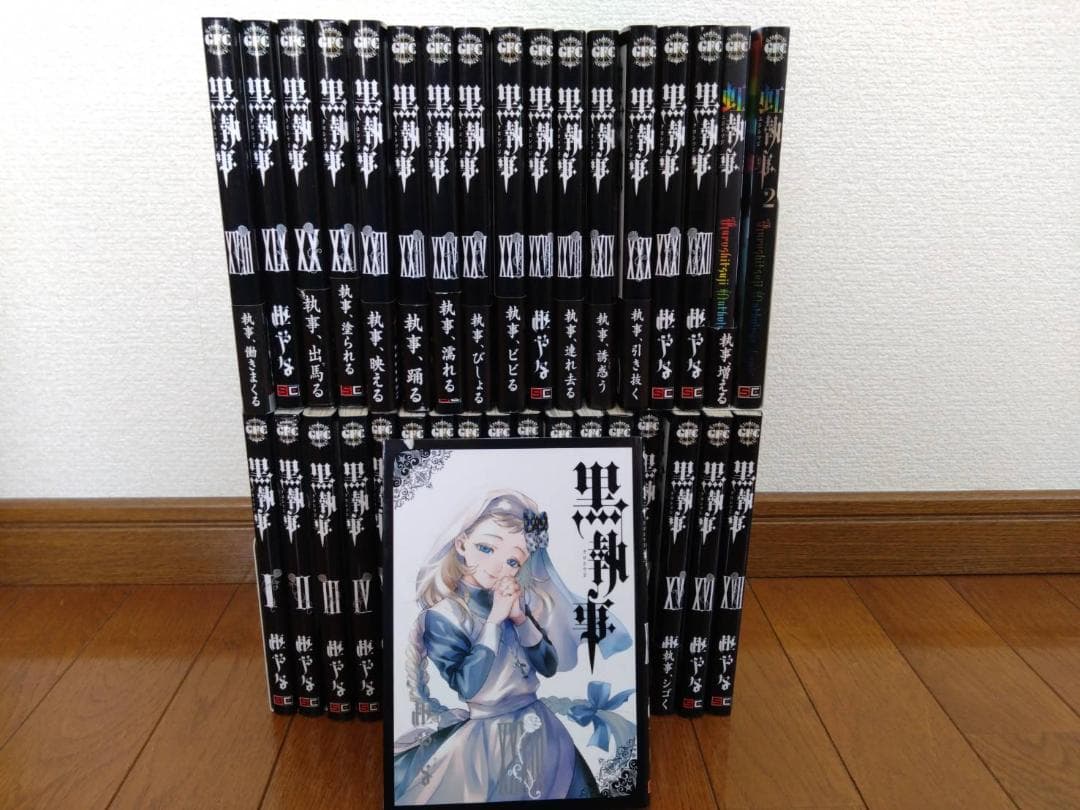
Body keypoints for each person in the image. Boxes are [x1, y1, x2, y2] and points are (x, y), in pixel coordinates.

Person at [393, 489, 629, 804]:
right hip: (486, 737)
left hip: (540, 724)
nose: (496, 566)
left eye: (512, 561)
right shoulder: (443, 616)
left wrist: (519, 619)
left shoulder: (515, 600)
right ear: (462, 544)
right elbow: (467, 686)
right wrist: (494, 621)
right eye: (485, 548)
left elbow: (548, 666)